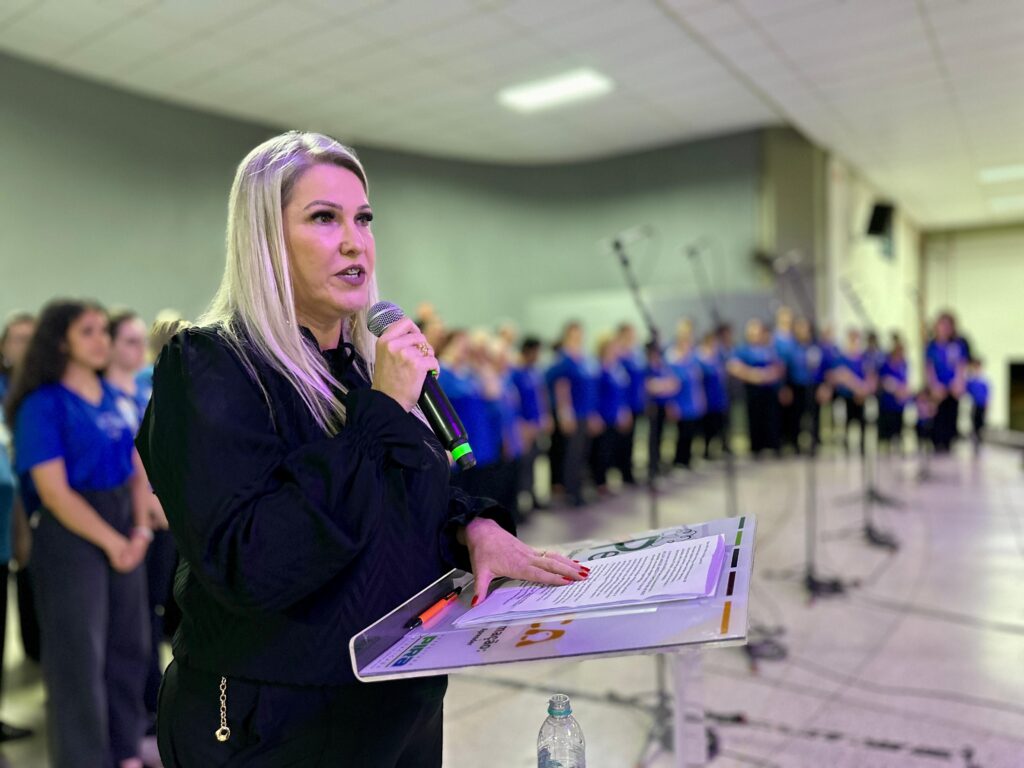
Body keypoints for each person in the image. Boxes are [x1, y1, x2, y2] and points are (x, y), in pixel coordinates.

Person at [137, 132, 586, 767]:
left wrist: (473, 526)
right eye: (324, 218)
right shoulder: (212, 367)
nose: (356, 242)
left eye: (364, 218)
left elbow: (410, 494)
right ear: (265, 239)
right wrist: (380, 413)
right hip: (280, 722)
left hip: (398, 700)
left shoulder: (358, 365)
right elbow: (252, 560)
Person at [7, 299, 151, 768]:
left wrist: (140, 529)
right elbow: (53, 492)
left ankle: (125, 749)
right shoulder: (42, 404)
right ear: (60, 341)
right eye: (87, 331)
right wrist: (114, 542)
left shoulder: (110, 395)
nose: (101, 340)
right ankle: (85, 758)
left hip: (121, 523)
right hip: (70, 534)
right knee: (78, 658)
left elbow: (135, 470)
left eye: (102, 331)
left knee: (129, 646)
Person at [106, 310, 178, 730]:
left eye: (140, 341)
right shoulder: (115, 392)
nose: (139, 349)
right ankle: (142, 700)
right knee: (138, 618)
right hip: (130, 516)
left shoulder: (137, 391)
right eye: (129, 341)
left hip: (154, 513)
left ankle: (153, 695)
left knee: (152, 610)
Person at [0, 312, 41, 665]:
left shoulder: (42, 392)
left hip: (37, 501)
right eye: (18, 338)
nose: (25, 347)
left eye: (32, 339)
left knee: (33, 581)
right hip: (7, 503)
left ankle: (36, 651)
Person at [546, 321, 599, 507]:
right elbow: (562, 388)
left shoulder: (584, 358)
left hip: (586, 412)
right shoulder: (564, 359)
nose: (577, 337)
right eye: (573, 334)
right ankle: (571, 491)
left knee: (583, 452)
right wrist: (565, 414)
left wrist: (593, 413)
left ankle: (579, 487)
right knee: (572, 454)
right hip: (574, 413)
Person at [727, 319, 784, 457]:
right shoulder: (743, 350)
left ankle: (772, 445)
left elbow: (779, 367)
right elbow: (734, 366)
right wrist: (753, 375)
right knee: (754, 419)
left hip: (769, 390)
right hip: (752, 390)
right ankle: (756, 447)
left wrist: (768, 375)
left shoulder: (769, 349)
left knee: (771, 419)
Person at [510, 336, 551, 512]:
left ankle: (533, 496)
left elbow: (541, 395)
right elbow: (514, 401)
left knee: (535, 462)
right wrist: (522, 425)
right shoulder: (516, 373)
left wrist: (545, 416)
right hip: (525, 426)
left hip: (536, 424)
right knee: (523, 465)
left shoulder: (535, 372)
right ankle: (522, 500)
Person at [591, 334, 631, 495]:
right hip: (603, 415)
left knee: (614, 449)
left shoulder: (618, 367)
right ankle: (599, 482)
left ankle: (609, 478)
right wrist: (594, 415)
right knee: (602, 450)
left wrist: (624, 410)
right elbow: (594, 394)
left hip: (617, 414)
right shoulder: (598, 368)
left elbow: (622, 393)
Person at [925, 312, 966, 452]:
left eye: (948, 325)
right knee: (938, 419)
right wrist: (934, 385)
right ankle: (937, 444)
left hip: (953, 388)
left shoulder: (957, 345)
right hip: (938, 389)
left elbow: (961, 366)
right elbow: (929, 368)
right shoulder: (931, 346)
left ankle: (949, 444)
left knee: (951, 417)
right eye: (942, 325)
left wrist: (958, 383)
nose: (945, 328)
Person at [667, 322, 706, 469]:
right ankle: (679, 460)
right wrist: (672, 404)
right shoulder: (673, 359)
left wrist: (701, 399)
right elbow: (672, 384)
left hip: (693, 403)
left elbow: (697, 382)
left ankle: (688, 458)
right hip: (681, 403)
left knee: (691, 433)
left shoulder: (692, 360)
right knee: (682, 434)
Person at [833, 328, 875, 455]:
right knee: (847, 421)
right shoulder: (842, 358)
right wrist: (855, 387)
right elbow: (840, 375)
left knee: (862, 421)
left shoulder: (864, 359)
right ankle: (846, 446)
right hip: (847, 396)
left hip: (861, 396)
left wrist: (863, 390)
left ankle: (862, 446)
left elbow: (870, 377)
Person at [614, 323, 644, 485]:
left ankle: (628, 468)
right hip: (624, 405)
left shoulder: (635, 354)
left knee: (632, 439)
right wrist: (622, 407)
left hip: (636, 403)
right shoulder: (618, 356)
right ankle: (623, 471)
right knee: (622, 440)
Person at [643, 341, 679, 477]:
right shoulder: (647, 367)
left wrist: (661, 386)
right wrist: (663, 386)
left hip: (663, 405)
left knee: (661, 436)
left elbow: (674, 383)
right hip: (652, 406)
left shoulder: (662, 366)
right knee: (653, 437)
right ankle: (652, 465)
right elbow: (649, 386)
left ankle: (658, 462)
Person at [697, 331, 730, 459]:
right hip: (707, 398)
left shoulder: (718, 358)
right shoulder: (700, 358)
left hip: (719, 398)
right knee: (708, 427)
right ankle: (706, 450)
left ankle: (721, 447)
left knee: (720, 425)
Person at [877, 337, 911, 453]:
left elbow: (905, 380)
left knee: (898, 427)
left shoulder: (904, 364)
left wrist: (904, 391)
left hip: (899, 403)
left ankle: (897, 446)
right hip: (887, 402)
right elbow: (883, 380)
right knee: (886, 429)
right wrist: (895, 388)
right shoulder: (886, 363)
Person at [966, 357, 989, 455]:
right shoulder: (971, 379)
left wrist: (987, 403)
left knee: (981, 422)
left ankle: (979, 438)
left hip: (981, 404)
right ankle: (975, 437)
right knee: (974, 421)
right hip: (973, 404)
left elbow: (987, 393)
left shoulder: (984, 379)